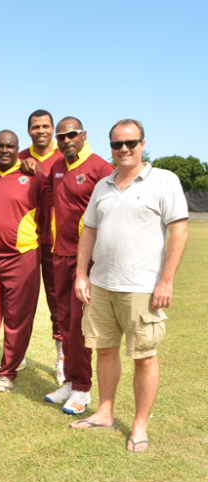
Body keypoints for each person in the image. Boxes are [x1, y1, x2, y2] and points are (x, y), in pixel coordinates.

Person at [70, 119, 188, 453]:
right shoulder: (103, 185)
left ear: (142, 144)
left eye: (131, 143)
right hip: (101, 284)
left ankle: (139, 425)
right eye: (117, 144)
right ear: (110, 147)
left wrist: (166, 281)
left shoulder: (164, 180)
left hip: (142, 287)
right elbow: (89, 231)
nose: (124, 149)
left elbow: (179, 231)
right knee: (105, 349)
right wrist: (81, 274)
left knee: (144, 356)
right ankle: (105, 412)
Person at [43, 117, 114, 414]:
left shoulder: (100, 168)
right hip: (60, 254)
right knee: (63, 322)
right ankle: (71, 382)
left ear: (83, 135)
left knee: (79, 324)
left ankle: (83, 389)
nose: (66, 140)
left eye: (71, 134)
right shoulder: (57, 166)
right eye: (61, 137)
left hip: (88, 259)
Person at [0, 131, 45, 393]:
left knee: (18, 318)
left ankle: (7, 371)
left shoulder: (34, 177)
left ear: (19, 149)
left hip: (22, 256)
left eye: (10, 146)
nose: (4, 150)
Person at [18, 110, 65, 383]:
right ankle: (16, 354)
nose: (41, 131)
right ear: (29, 131)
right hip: (27, 240)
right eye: (36, 126)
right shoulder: (19, 155)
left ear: (53, 129)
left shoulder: (64, 154)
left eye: (46, 126)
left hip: (58, 241)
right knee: (20, 301)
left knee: (58, 302)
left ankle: (62, 358)